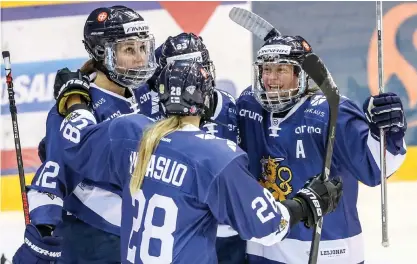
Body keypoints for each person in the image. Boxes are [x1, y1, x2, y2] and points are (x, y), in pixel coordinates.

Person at [49, 59, 342, 263]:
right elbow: (268, 227)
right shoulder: (216, 157)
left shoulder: (127, 132)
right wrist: (307, 204)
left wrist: (75, 99)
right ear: (205, 99)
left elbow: (77, 139)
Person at [236, 35, 407, 264]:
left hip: (329, 250)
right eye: (267, 69)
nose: (270, 79)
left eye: (281, 70)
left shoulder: (331, 110)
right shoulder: (248, 105)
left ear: (301, 74)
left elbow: (375, 168)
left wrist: (389, 132)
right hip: (264, 249)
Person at [13, 5, 157, 264]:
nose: (139, 59)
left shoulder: (145, 92)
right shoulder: (76, 106)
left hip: (141, 235)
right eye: (128, 50)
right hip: (94, 240)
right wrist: (44, 230)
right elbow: (54, 171)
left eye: (142, 48)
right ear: (102, 53)